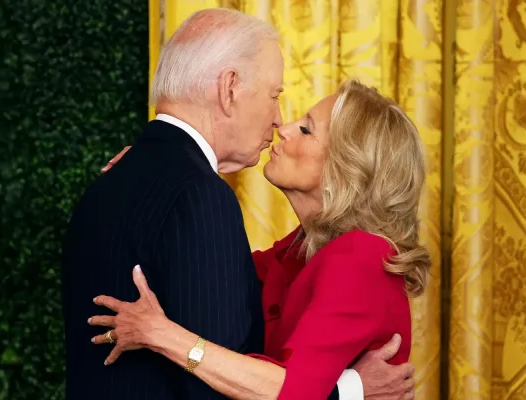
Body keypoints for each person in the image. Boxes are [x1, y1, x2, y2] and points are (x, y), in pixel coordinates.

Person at [61, 7, 415, 400]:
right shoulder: (294, 252)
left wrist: (161, 335)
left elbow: (294, 390)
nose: (282, 126)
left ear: (346, 167)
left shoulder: (362, 257)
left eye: (305, 129)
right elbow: (209, 273)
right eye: (276, 98)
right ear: (229, 89)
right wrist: (153, 165)